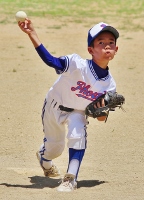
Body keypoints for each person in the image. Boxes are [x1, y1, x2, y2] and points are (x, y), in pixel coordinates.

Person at [18, 19, 119, 192]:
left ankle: (70, 178)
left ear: (116, 49)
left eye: (111, 43)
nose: (107, 46)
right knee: (55, 149)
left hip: (78, 111)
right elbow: (51, 61)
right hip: (54, 105)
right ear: (91, 50)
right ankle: (44, 158)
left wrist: (100, 111)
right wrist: (32, 34)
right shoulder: (76, 64)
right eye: (100, 43)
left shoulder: (109, 86)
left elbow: (102, 118)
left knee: (77, 132)